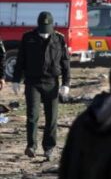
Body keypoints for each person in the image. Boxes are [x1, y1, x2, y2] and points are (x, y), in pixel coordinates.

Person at [11, 11, 70, 160]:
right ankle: (31, 146)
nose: (44, 34)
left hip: (52, 82)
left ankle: (49, 148)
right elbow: (20, 60)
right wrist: (16, 80)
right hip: (33, 82)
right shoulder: (28, 38)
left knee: (52, 117)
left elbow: (65, 63)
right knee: (32, 115)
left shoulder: (59, 39)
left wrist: (66, 84)